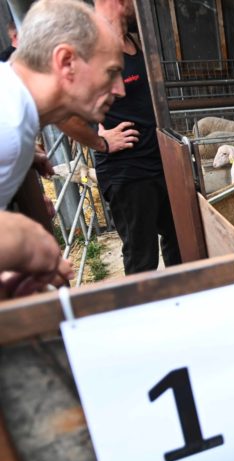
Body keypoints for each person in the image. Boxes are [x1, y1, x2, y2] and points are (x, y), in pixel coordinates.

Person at [0, 0, 125, 296]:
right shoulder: (9, 125)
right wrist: (22, 238)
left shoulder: (16, 117)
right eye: (111, 72)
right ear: (66, 62)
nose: (119, 88)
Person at [60, 0, 182, 275]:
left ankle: (179, 301)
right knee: (142, 255)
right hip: (128, 172)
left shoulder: (132, 39)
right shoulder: (86, 42)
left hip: (159, 162)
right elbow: (63, 111)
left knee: (179, 239)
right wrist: (100, 142)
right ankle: (142, 313)